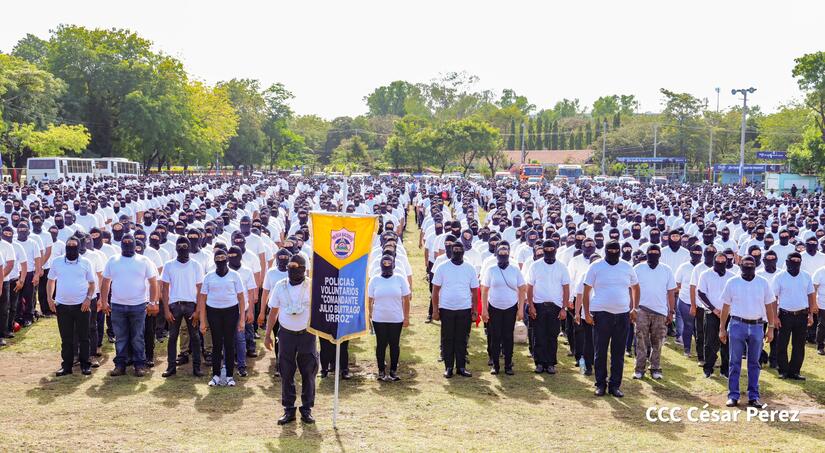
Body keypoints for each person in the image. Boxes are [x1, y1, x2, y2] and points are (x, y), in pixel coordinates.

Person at [264, 255, 317, 425]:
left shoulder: (311, 286)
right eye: (290, 267)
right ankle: (288, 409)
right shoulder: (280, 286)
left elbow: (320, 308)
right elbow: (273, 311)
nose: (293, 270)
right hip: (286, 334)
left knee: (308, 372)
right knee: (286, 372)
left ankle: (307, 409)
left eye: (297, 267)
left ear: (303, 268)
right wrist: (267, 335)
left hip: (306, 334)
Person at [581, 240, 639, 397]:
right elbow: (586, 291)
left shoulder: (627, 266)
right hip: (601, 314)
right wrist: (586, 313)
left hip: (622, 315)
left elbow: (636, 287)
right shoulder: (595, 266)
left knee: (618, 353)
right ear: (605, 250)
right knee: (600, 352)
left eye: (616, 250)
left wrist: (635, 308)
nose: (613, 253)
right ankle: (600, 384)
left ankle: (615, 386)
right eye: (610, 250)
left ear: (620, 251)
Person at [719, 256, 776, 408]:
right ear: (740, 265)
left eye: (751, 264)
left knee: (754, 363)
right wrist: (722, 328)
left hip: (757, 326)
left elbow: (769, 306)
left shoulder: (763, 282)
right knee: (734, 361)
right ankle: (733, 395)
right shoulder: (732, 282)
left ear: (756, 265)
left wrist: (770, 328)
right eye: (746, 264)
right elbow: (725, 307)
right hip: (737, 324)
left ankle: (753, 396)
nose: (749, 266)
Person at [100, 234, 159, 377]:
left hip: (138, 305)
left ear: (134, 244)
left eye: (129, 242)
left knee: (137, 337)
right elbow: (105, 282)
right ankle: (120, 365)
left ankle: (139, 365)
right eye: (124, 243)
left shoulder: (144, 261)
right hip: (118, 305)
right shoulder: (113, 260)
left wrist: (152, 302)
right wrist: (104, 301)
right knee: (120, 337)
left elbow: (153, 283)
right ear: (121, 245)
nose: (127, 245)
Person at [46, 237, 96, 376]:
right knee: (66, 338)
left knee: (84, 337)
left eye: (74, 246)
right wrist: (50, 298)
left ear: (79, 247)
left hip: (82, 306)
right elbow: (51, 281)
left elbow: (92, 284)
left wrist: (88, 299)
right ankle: (66, 366)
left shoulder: (86, 262)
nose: (71, 249)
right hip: (62, 306)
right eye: (69, 246)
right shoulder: (57, 262)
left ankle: (85, 365)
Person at [199, 249, 245, 387]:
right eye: (217, 257)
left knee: (230, 344)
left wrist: (242, 318)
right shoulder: (208, 277)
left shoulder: (235, 276)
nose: (220, 260)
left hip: (231, 312)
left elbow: (241, 298)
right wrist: (202, 320)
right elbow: (202, 299)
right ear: (214, 260)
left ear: (227, 259)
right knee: (216, 343)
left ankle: (230, 376)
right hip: (213, 312)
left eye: (222, 257)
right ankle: (216, 375)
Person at [432, 241, 479, 378]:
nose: (457, 251)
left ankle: (461, 367)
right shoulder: (442, 267)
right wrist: (435, 310)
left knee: (462, 339)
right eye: (455, 249)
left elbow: (475, 292)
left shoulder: (470, 268)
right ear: (451, 250)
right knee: (447, 338)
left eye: (460, 249)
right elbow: (435, 290)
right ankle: (448, 367)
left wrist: (475, 310)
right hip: (446, 308)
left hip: (464, 309)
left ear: (463, 251)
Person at [160, 237, 205, 377]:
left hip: (191, 306)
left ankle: (197, 368)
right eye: (180, 246)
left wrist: (198, 310)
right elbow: (165, 289)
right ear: (176, 248)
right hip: (174, 306)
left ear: (190, 247)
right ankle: (171, 367)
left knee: (195, 337)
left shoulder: (196, 265)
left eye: (186, 246)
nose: (183, 248)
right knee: (172, 337)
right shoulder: (169, 265)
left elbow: (200, 289)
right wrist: (166, 310)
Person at [632, 245, 677, 380]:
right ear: (646, 254)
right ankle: (639, 369)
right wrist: (632, 308)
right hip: (641, 310)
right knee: (641, 341)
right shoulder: (638, 268)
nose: (653, 254)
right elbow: (632, 289)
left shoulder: (666, 270)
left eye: (656, 252)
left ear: (660, 254)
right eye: (650, 252)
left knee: (657, 342)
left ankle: (655, 368)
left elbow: (671, 292)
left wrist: (671, 311)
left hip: (660, 311)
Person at [526, 240, 570, 375]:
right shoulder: (535, 266)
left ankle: (550, 363)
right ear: (543, 250)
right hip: (538, 306)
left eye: (552, 248)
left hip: (555, 307)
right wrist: (531, 305)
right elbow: (529, 287)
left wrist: (564, 308)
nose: (549, 251)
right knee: (538, 336)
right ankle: (539, 363)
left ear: (556, 250)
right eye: (547, 248)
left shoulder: (562, 267)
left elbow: (566, 288)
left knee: (552, 336)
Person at [481, 244, 525, 375]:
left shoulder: (515, 270)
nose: (503, 255)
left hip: (510, 307)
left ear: (509, 254)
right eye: (501, 252)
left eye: (506, 252)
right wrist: (484, 309)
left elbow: (522, 289)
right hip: (494, 307)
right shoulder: (491, 270)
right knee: (495, 337)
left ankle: (508, 365)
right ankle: (495, 365)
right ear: (496, 254)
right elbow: (484, 290)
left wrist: (521, 308)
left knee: (508, 337)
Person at [771, 252, 816, 380]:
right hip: (785, 315)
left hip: (802, 315)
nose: (795, 262)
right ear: (787, 261)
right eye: (793, 260)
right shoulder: (779, 277)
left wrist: (811, 315)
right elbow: (774, 298)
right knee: (782, 344)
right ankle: (783, 370)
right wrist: (775, 317)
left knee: (799, 345)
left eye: (798, 260)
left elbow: (811, 295)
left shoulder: (806, 276)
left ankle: (795, 371)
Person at [368, 254, 411, 381]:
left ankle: (393, 370)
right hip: (379, 318)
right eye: (384, 263)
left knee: (394, 344)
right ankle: (381, 370)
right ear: (381, 265)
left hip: (396, 318)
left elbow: (406, 299)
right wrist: (369, 315)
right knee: (381, 344)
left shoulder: (400, 279)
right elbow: (369, 300)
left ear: (393, 265)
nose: (386, 266)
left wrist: (406, 317)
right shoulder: (375, 280)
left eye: (389, 263)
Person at [697, 252, 736, 379]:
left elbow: (735, 295)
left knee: (727, 342)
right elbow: (701, 294)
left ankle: (725, 369)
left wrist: (727, 310)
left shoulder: (732, 276)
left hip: (728, 314)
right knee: (710, 341)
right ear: (714, 261)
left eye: (723, 261)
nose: (720, 264)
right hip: (711, 313)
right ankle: (708, 368)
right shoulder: (705, 275)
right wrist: (713, 309)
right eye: (718, 261)